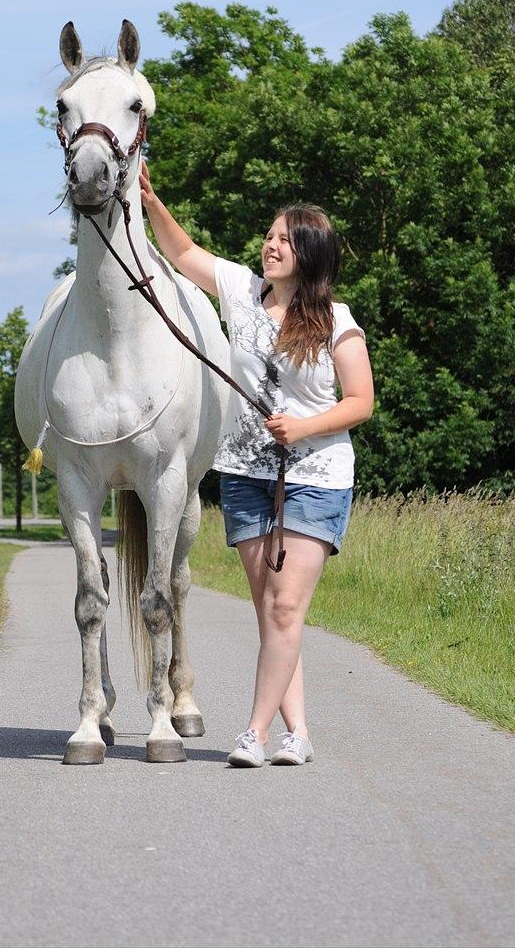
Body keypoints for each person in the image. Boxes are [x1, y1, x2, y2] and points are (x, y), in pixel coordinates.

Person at [139, 160, 374, 768]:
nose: (270, 245)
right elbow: (183, 251)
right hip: (244, 473)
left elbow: (361, 402)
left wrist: (301, 426)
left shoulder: (338, 323)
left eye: (284, 240)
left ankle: (256, 733)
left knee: (285, 607)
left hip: (316, 476)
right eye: (269, 236)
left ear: (310, 255)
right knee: (270, 609)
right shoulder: (242, 292)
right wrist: (148, 197)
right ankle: (298, 732)